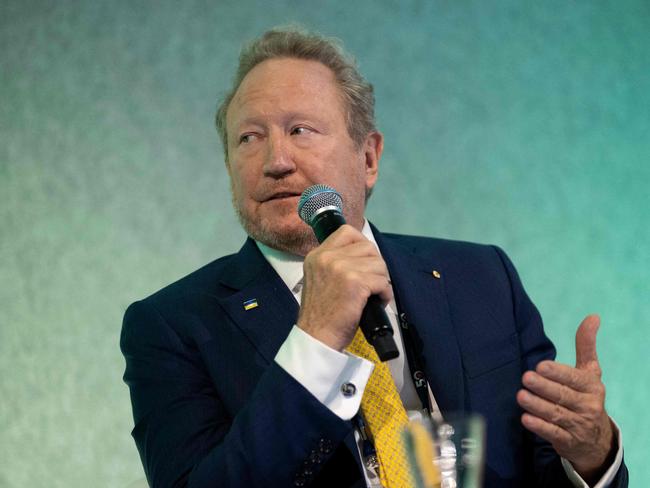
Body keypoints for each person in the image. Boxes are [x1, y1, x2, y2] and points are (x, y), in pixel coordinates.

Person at [120, 27, 628, 487]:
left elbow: (544, 466)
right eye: (248, 138)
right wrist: (316, 340)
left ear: (368, 158)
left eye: (300, 130)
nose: (275, 161)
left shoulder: (481, 277)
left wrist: (593, 454)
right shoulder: (172, 327)